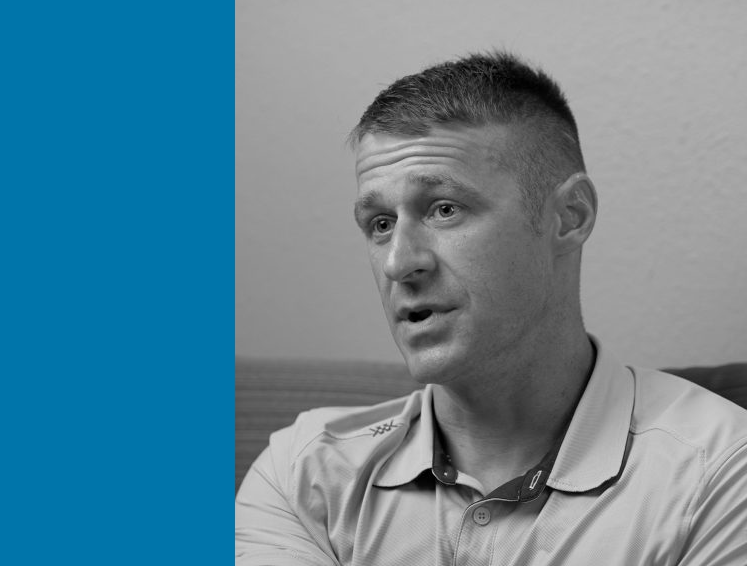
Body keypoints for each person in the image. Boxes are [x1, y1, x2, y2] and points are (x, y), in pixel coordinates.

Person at [235, 51, 747, 565]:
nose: (398, 263)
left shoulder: (721, 472)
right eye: (380, 224)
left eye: (444, 209)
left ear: (570, 216)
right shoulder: (303, 473)